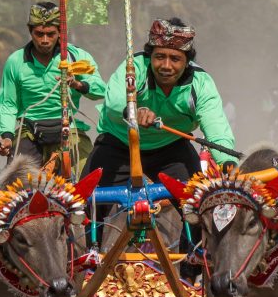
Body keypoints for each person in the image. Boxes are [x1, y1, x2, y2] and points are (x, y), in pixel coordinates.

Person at [84, 18, 237, 277]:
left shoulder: (201, 83)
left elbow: (216, 127)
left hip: (171, 147)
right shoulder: (133, 68)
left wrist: (227, 164)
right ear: (149, 55)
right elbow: (113, 102)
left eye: (175, 59)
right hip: (119, 142)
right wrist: (133, 109)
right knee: (85, 198)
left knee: (200, 202)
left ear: (187, 60)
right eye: (159, 57)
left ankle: (191, 270)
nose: (166, 66)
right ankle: (88, 262)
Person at [0, 1, 105, 171]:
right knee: (15, 183)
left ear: (60, 32)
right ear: (30, 31)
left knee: (88, 176)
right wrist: (7, 137)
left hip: (69, 128)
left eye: (51, 34)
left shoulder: (76, 56)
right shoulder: (15, 61)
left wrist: (78, 84)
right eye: (39, 34)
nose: (44, 40)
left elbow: (101, 90)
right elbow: (8, 104)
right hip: (29, 131)